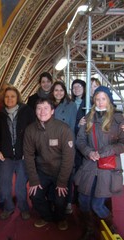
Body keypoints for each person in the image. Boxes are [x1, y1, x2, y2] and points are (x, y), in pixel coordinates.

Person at [74, 86, 124, 240]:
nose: (100, 101)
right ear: (94, 100)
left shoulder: (118, 119)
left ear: (109, 100)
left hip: (108, 168)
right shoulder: (88, 118)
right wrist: (88, 152)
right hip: (89, 167)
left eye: (103, 98)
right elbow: (80, 141)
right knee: (83, 201)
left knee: (97, 204)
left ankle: (111, 226)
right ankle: (89, 229)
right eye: (97, 98)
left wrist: (106, 151)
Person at [23, 98, 75, 231]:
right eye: (39, 108)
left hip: (61, 172)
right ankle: (47, 217)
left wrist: (62, 181)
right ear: (35, 111)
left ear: (52, 111)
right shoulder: (30, 130)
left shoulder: (63, 129)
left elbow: (68, 158)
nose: (42, 111)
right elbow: (28, 156)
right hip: (42, 171)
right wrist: (34, 180)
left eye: (46, 108)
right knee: (34, 195)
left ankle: (60, 218)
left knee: (60, 200)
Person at [0, 86, 35, 220]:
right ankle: (8, 207)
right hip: (5, 156)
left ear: (17, 97)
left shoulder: (27, 111)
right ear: (3, 98)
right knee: (4, 185)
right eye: (7, 96)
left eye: (12, 96)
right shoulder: (0, 114)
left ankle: (24, 208)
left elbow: (33, 133)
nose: (10, 99)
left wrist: (29, 151)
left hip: (22, 155)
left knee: (20, 188)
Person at [49, 81, 77, 214]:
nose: (58, 93)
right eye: (56, 90)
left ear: (65, 91)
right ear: (52, 92)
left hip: (65, 144)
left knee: (67, 174)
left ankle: (68, 202)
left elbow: (71, 126)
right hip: (50, 144)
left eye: (61, 90)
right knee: (53, 174)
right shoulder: (48, 104)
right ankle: (53, 201)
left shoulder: (71, 105)